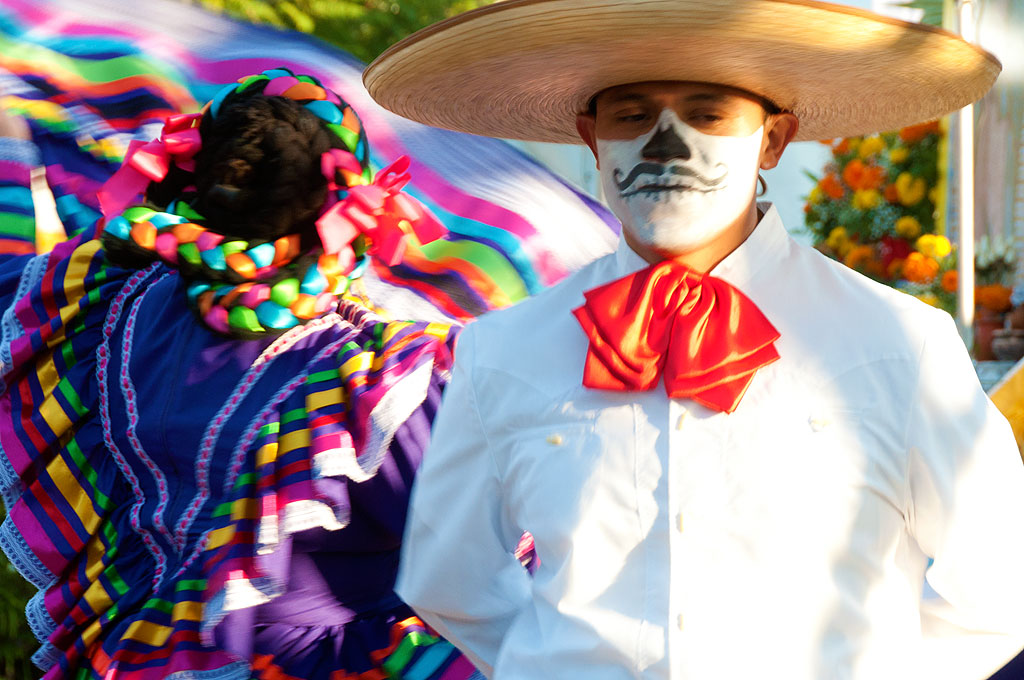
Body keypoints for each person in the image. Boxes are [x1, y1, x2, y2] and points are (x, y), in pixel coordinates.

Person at [362, 1, 1024, 678]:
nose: (664, 144)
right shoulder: (502, 350)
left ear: (773, 139)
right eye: (631, 115)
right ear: (592, 138)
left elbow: (1005, 582)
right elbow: (451, 578)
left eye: (707, 114)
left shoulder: (899, 342)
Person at [0, 69, 482, 680]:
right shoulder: (365, 385)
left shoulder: (98, 301)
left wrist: (10, 150)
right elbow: (504, 517)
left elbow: (7, 276)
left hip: (138, 653)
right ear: (349, 212)